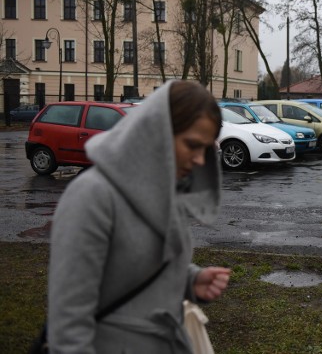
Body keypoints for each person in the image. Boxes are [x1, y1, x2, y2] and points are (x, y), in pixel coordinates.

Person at [48, 80, 231, 353]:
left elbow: (134, 265)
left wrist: (190, 280)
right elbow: (69, 326)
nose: (200, 160)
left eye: (205, 149)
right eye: (192, 145)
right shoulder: (92, 196)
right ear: (156, 132)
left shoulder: (164, 190)